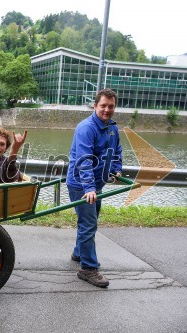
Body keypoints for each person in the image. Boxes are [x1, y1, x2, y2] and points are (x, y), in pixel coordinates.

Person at [66, 88, 122, 288]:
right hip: (81, 184)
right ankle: (88, 268)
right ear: (95, 105)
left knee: (90, 220)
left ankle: (79, 253)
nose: (107, 110)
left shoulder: (113, 128)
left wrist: (116, 169)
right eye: (103, 106)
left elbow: (116, 151)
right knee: (89, 224)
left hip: (96, 184)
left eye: (111, 106)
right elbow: (84, 160)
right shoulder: (86, 128)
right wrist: (89, 187)